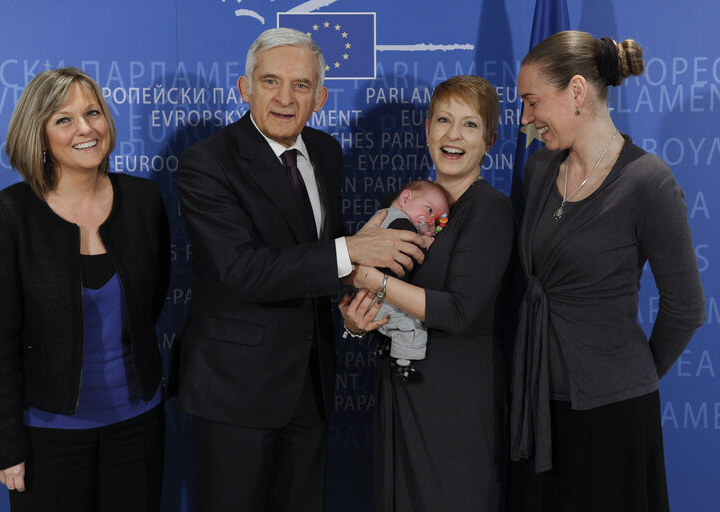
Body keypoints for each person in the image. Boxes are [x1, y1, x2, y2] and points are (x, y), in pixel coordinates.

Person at [174, 27, 425, 512]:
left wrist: (352, 308)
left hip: (310, 386)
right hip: (235, 392)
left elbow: (321, 262)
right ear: (245, 89)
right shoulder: (206, 162)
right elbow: (243, 269)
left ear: (322, 97)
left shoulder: (327, 153)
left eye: (301, 86)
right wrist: (351, 249)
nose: (285, 98)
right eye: (271, 82)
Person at [508, 31, 706, 512]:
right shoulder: (537, 171)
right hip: (537, 411)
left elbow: (687, 308)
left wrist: (625, 375)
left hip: (612, 415)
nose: (526, 118)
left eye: (533, 102)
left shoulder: (647, 181)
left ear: (576, 92)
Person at [0, 67, 170, 511]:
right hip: (48, 435)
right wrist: (6, 444)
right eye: (64, 119)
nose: (86, 128)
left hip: (137, 426)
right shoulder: (9, 213)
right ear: (39, 134)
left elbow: (152, 301)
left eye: (93, 113)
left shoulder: (143, 200)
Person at [340, 75, 516, 512]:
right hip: (399, 396)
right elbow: (362, 287)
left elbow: (457, 312)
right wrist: (355, 321)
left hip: (455, 405)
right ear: (427, 130)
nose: (453, 135)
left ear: (490, 140)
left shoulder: (490, 210)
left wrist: (369, 280)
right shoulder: (405, 209)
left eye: (470, 125)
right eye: (443, 120)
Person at [367, 179, 450, 382]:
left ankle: (382, 343)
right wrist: (425, 243)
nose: (430, 222)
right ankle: (403, 363)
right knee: (413, 324)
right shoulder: (400, 222)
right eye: (429, 210)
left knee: (389, 322)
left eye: (438, 221)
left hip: (372, 296)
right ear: (405, 198)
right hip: (378, 296)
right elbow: (410, 252)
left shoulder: (383, 215)